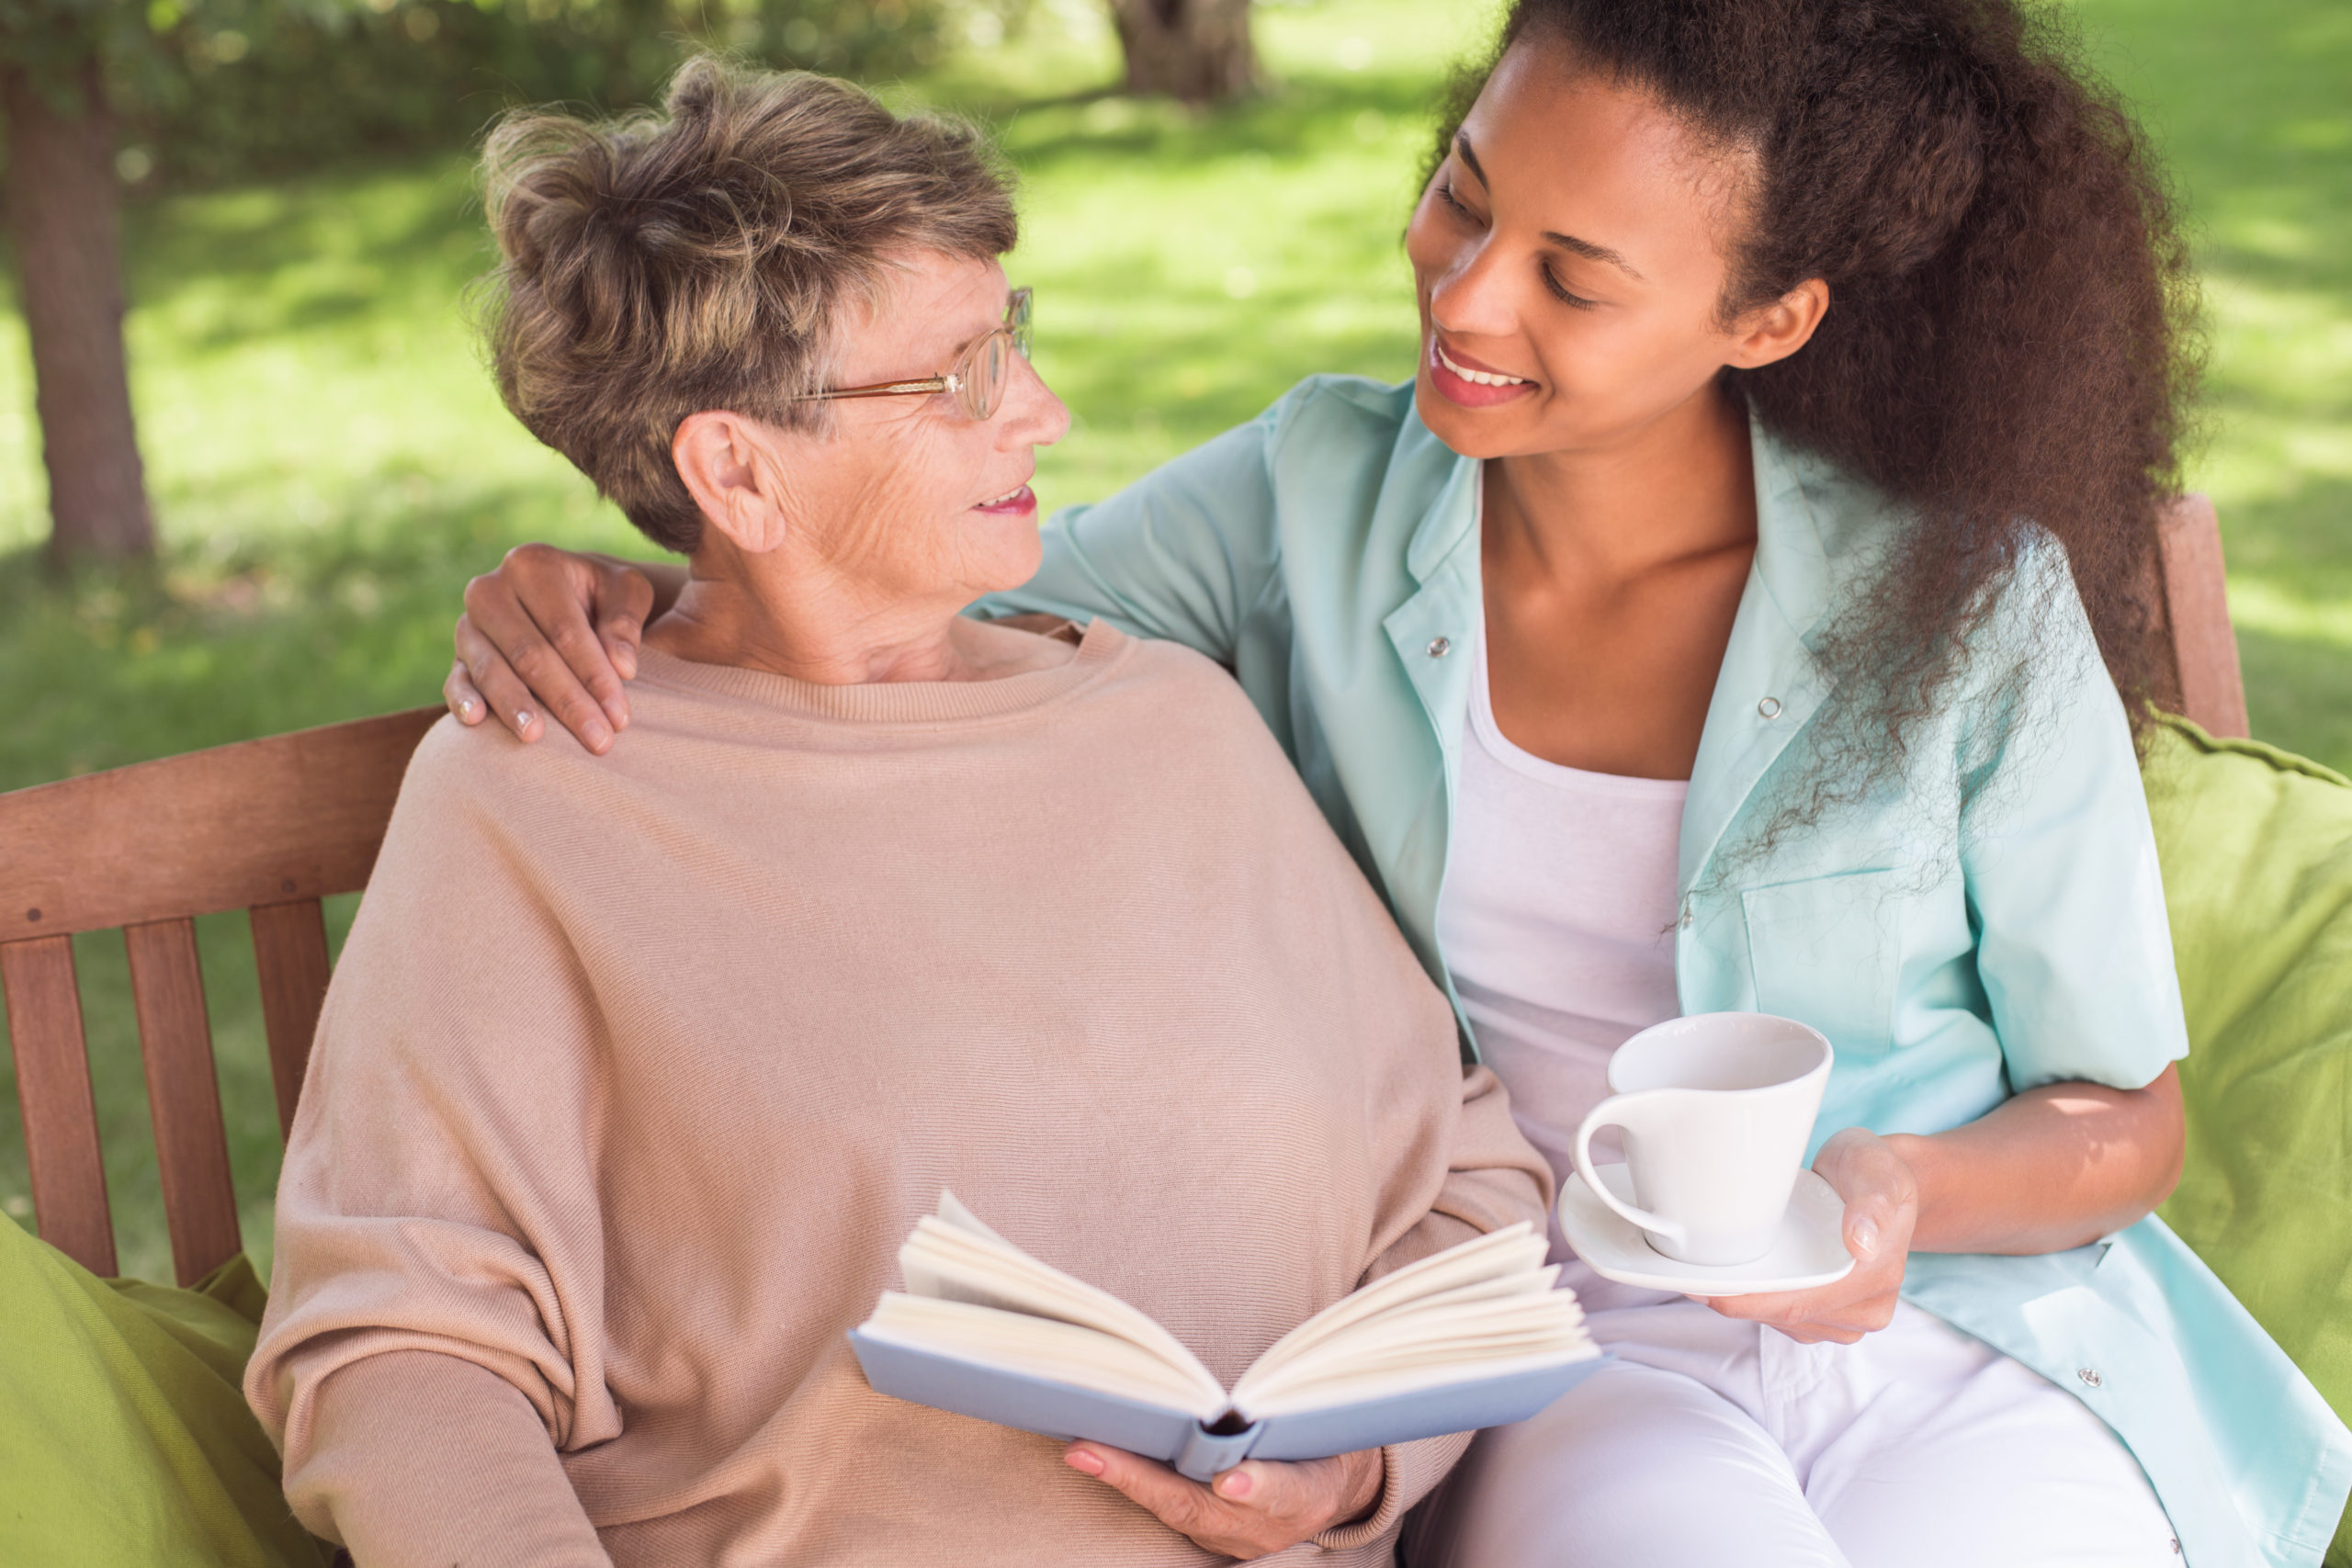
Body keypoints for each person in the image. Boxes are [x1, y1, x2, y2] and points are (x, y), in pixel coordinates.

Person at [441, 4, 2352, 1566]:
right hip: (1539, 1350)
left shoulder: (1961, 601)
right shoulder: (1306, 503)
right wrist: (643, 568)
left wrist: (1893, 1186)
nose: (1467, 293)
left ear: (1761, 323)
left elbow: (2123, 1120)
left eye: (1573, 278)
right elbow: (915, 586)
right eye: (1462, 192)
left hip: (1946, 1326)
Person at [243, 59, 1558, 1568]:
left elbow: (1466, 1178)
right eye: (962, 377)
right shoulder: (540, 787)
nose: (1046, 414)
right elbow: (399, 1353)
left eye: (1019, 343)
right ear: (735, 467)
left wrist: (1361, 1466)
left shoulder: (1171, 728)